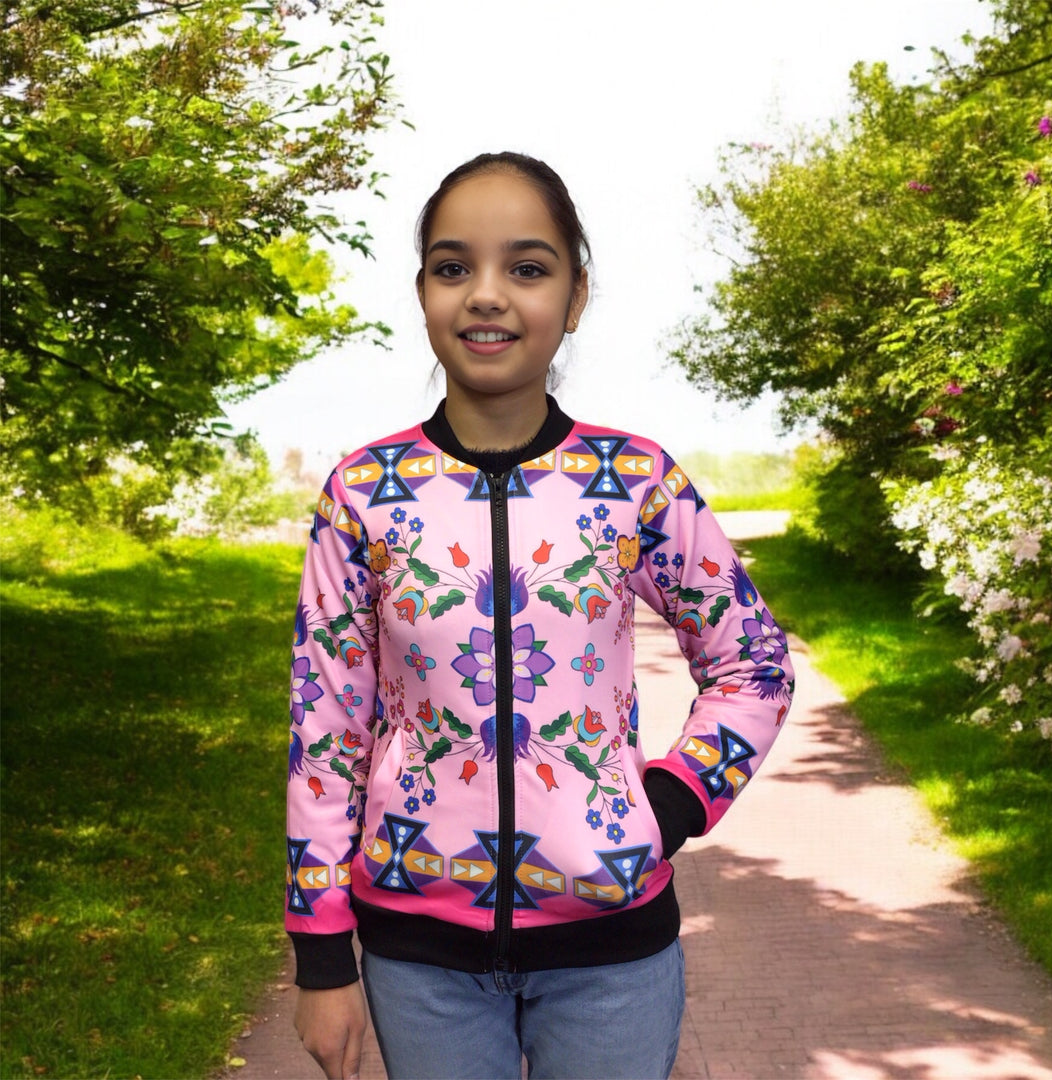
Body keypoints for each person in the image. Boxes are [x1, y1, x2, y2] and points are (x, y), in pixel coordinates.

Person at [287, 151, 795, 1080]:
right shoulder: (364, 493)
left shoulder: (633, 481)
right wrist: (321, 957)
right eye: (453, 266)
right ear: (423, 291)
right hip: (417, 958)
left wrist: (673, 802)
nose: (486, 294)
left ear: (576, 295)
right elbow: (325, 727)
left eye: (526, 267)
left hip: (615, 960)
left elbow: (753, 662)